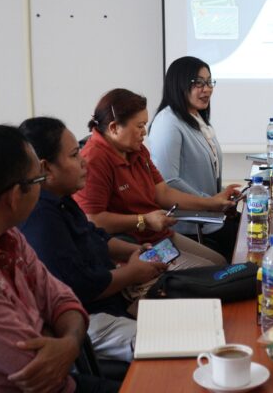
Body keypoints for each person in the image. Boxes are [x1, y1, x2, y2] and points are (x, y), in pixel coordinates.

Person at [0, 125, 117, 392]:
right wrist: (57, 331)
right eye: (37, 180)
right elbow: (35, 367)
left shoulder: (9, 235)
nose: (42, 186)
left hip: (65, 380)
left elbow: (63, 298)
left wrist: (67, 342)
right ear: (13, 197)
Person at [19, 117, 168, 363]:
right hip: (89, 318)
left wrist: (136, 250)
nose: (84, 162)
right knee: (170, 346)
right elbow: (81, 287)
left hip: (112, 300)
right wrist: (132, 273)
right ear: (46, 169)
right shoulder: (42, 219)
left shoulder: (62, 199)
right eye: (75, 155)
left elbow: (95, 236)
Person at [74, 88, 239, 268]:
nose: (144, 132)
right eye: (139, 126)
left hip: (158, 237)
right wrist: (143, 220)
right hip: (136, 248)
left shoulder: (136, 150)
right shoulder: (94, 160)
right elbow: (93, 219)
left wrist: (213, 203)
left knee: (220, 262)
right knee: (213, 272)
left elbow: (163, 192)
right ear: (114, 128)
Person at [149, 56, 239, 262]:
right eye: (198, 83)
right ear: (179, 84)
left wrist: (223, 199)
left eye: (209, 82)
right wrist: (210, 203)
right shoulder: (167, 123)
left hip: (211, 217)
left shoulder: (197, 119)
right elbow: (168, 182)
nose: (206, 89)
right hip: (191, 225)